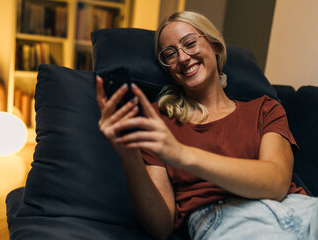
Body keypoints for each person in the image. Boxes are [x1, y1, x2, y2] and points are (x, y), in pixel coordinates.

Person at [96, 11, 317, 240]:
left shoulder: (265, 109)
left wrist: (182, 155)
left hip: (298, 206)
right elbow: (160, 227)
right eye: (170, 54)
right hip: (224, 218)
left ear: (215, 46)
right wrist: (128, 155)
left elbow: (276, 183)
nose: (182, 58)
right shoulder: (160, 121)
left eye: (190, 43)